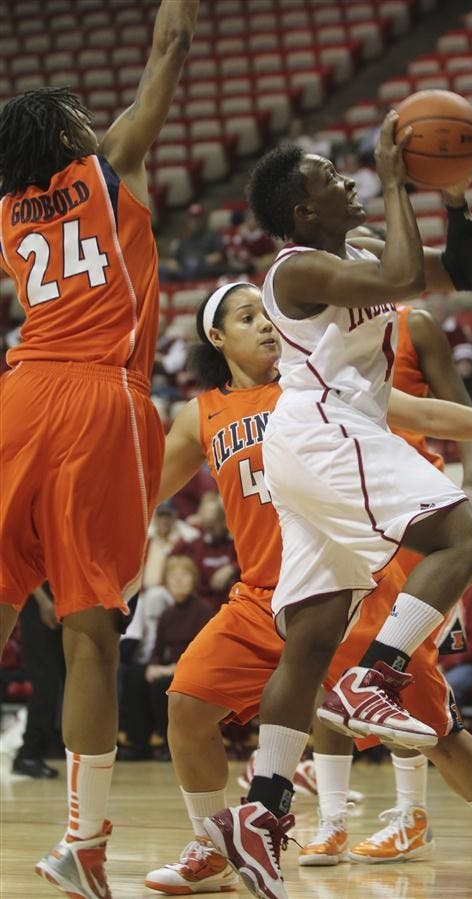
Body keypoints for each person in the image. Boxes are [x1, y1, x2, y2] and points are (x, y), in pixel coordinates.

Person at [203, 119, 472, 898]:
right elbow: (404, 276)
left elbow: (451, 269)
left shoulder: (354, 255)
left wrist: (456, 198)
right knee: (467, 538)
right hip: (326, 434)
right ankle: (378, 675)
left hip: (316, 445)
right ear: (302, 212)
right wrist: (400, 182)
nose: (347, 180)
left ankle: (259, 810)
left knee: (311, 634)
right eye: (327, 176)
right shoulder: (293, 272)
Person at [144, 283, 472, 897]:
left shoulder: (321, 383)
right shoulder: (199, 414)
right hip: (262, 594)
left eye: (268, 313)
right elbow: (144, 494)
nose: (265, 325)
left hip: (349, 587)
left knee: (435, 730)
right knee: (186, 705)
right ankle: (213, 845)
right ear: (216, 338)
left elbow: (427, 413)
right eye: (246, 316)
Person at [0, 3, 198, 897]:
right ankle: (81, 845)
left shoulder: (8, 208)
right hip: (94, 397)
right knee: (89, 630)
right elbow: (171, 47)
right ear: (75, 132)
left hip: (15, 395)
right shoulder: (109, 167)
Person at [119, 556, 213, 762]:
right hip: (170, 666)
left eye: (184, 576)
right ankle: (139, 743)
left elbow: (205, 654)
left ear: (193, 580)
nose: (178, 581)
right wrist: (152, 666)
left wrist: (171, 669)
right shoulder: (167, 614)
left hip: (194, 669)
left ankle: (170, 743)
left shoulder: (203, 610)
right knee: (134, 674)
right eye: (173, 577)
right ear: (166, 583)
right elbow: (157, 650)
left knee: (162, 684)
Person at [11, 585, 65, 779]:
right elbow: (26, 562)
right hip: (38, 601)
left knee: (67, 684)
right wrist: (44, 601)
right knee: (45, 684)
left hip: (64, 599)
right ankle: (28, 754)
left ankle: (55, 748)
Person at [158, 201, 228, 282]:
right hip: (184, 272)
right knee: (161, 271)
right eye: (192, 218)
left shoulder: (212, 235)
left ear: (203, 219)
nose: (195, 221)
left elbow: (219, 256)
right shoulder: (182, 240)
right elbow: (173, 260)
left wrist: (201, 261)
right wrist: (174, 265)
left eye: (198, 218)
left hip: (205, 272)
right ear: (188, 220)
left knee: (194, 265)